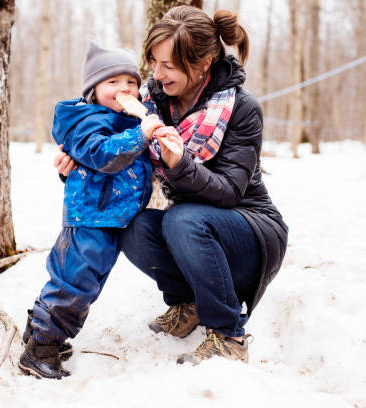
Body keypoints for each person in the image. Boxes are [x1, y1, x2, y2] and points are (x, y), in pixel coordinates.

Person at [56, 6, 288, 366]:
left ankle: (228, 334)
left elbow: (230, 191)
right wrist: (73, 166)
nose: (156, 74)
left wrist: (179, 165)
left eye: (169, 66)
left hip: (249, 233)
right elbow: (111, 155)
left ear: (204, 63)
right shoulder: (151, 101)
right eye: (154, 62)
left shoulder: (241, 109)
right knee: (133, 224)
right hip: (195, 231)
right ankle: (189, 304)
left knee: (183, 219)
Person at [19, 40, 164, 380]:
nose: (124, 89)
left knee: (87, 282)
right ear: (93, 90)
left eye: (130, 82)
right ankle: (40, 347)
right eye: (112, 83)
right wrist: (140, 136)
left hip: (110, 218)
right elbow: (100, 154)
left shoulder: (123, 119)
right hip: (90, 219)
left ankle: (41, 331)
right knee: (75, 282)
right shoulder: (86, 119)